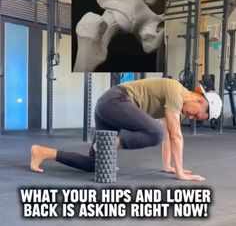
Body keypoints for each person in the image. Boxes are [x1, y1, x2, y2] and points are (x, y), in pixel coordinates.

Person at [31, 78, 222, 182]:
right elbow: (174, 135)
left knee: (95, 163)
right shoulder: (176, 90)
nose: (191, 118)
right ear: (199, 100)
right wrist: (180, 173)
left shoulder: (177, 106)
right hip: (115, 100)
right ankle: (112, 144)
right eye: (197, 115)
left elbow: (168, 138)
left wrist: (169, 167)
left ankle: (42, 152)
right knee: (155, 132)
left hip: (108, 107)